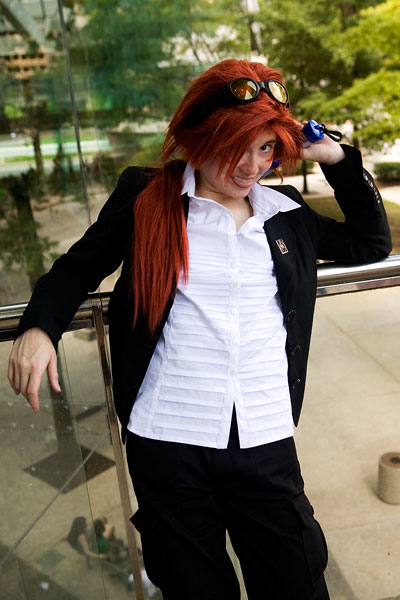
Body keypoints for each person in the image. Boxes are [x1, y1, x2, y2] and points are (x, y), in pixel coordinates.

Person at [8, 59, 391, 599]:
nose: (250, 166)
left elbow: (370, 244)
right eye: (236, 147)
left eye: (266, 148)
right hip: (168, 438)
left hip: (263, 432)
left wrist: (336, 157)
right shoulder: (148, 197)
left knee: (296, 578)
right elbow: (76, 269)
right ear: (198, 135)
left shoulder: (284, 211)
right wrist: (39, 328)